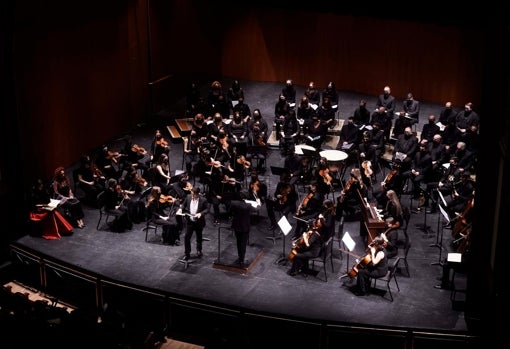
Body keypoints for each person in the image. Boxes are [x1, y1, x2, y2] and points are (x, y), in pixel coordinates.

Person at [178, 187, 209, 261]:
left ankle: (199, 250)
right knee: (187, 237)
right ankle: (187, 254)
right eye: (191, 194)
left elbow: (207, 209)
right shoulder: (188, 197)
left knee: (199, 237)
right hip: (189, 221)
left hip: (199, 222)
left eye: (193, 195)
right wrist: (180, 209)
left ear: (197, 194)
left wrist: (201, 213)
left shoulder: (203, 200)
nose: (192, 196)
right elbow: (183, 205)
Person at [229, 191, 253, 267]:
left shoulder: (233, 203)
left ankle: (240, 257)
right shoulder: (248, 205)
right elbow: (256, 209)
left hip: (237, 225)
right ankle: (241, 259)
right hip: (245, 226)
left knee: (238, 242)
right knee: (243, 243)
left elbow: (229, 211)